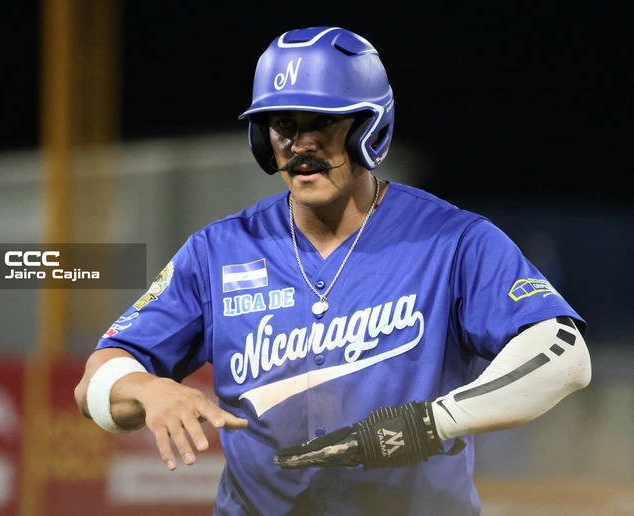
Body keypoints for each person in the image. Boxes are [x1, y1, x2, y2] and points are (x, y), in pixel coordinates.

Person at [74, 26, 591, 515]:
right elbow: (94, 384)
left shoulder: (452, 240)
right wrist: (147, 389)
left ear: (370, 127)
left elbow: (563, 355)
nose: (302, 145)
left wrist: (432, 422)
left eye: (322, 121)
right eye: (284, 125)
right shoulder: (218, 251)